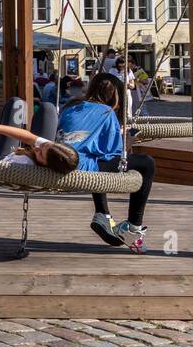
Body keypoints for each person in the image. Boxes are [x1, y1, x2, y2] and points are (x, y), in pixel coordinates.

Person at [59, 72, 155, 252]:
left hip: (62, 159)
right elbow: (114, 154)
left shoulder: (71, 106)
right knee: (147, 163)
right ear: (115, 96)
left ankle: (103, 213)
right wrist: (129, 138)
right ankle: (133, 228)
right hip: (82, 166)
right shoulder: (107, 112)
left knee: (95, 156)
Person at [0, 112, 80, 172]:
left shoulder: (26, 165)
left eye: (40, 154)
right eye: (44, 145)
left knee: (14, 102)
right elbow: (28, 137)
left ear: (47, 165)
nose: (37, 147)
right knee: (47, 108)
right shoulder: (51, 150)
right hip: (11, 156)